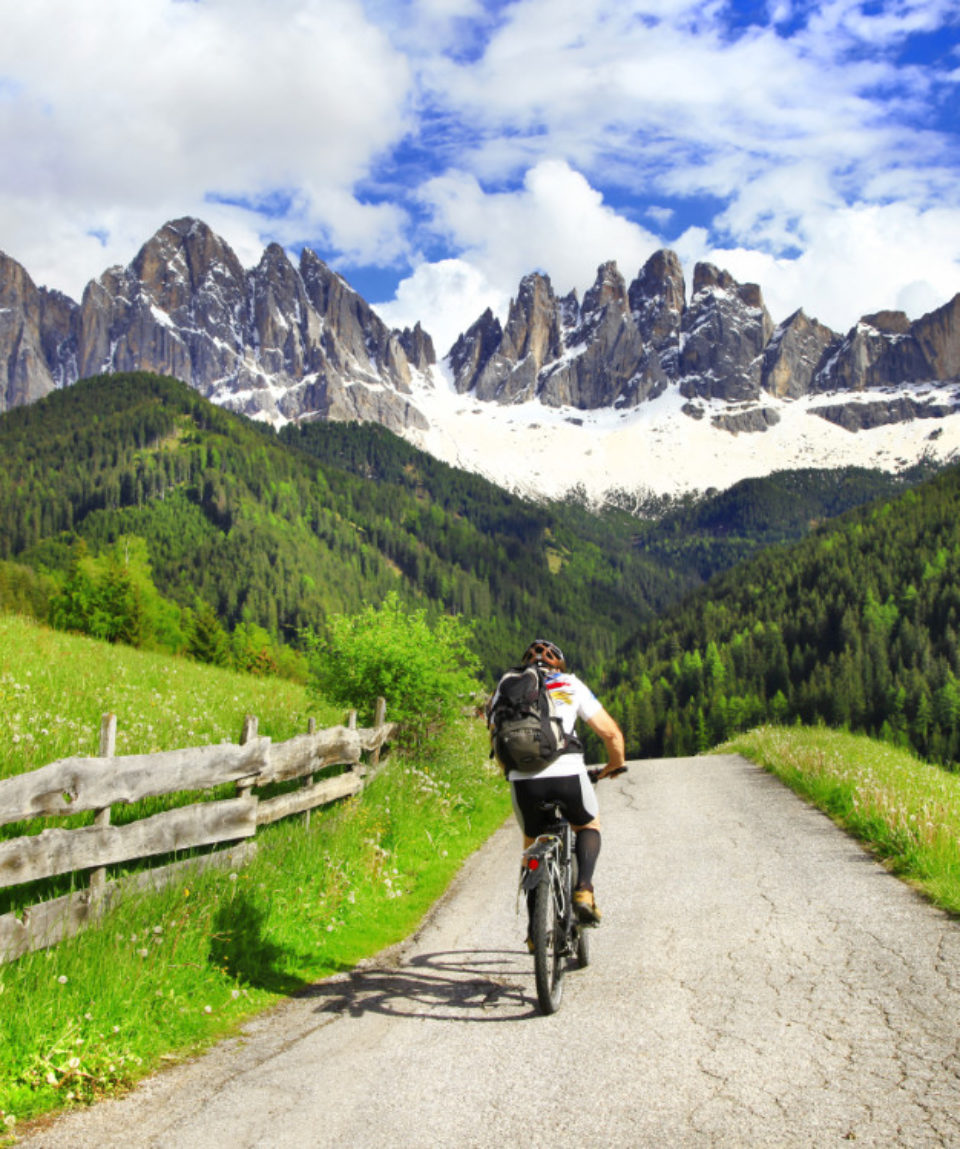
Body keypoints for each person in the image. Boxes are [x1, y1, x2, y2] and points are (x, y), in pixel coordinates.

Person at [489, 638, 625, 932]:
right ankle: (585, 890)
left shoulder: (506, 686)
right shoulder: (569, 683)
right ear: (557, 665)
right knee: (588, 825)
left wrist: (512, 772)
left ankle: (533, 933)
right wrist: (615, 765)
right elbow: (611, 733)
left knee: (531, 846)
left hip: (523, 782)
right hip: (568, 774)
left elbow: (495, 736)